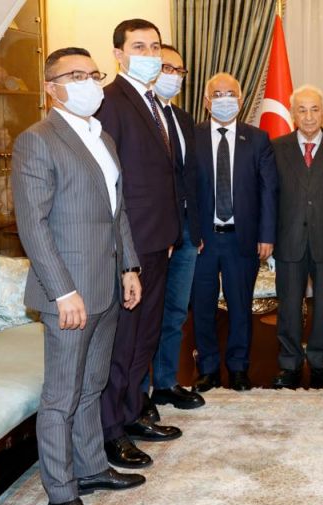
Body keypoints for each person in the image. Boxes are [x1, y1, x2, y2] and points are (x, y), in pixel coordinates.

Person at [12, 47, 145, 505]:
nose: (89, 82)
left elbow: (117, 211)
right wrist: (62, 291)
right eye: (75, 75)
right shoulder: (37, 140)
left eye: (93, 74)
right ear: (51, 88)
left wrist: (129, 266)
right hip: (69, 293)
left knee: (93, 385)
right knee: (61, 396)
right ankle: (61, 494)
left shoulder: (101, 137)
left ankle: (90, 467)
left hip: (106, 283)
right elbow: (33, 225)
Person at [96, 18, 182, 471]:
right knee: (123, 341)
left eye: (155, 46)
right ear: (118, 54)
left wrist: (169, 235)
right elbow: (110, 185)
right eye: (139, 46)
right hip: (129, 246)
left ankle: (132, 412)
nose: (150, 54)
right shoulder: (110, 102)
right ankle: (110, 430)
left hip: (158, 241)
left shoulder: (155, 103)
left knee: (145, 336)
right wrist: (125, 250)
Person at [192, 73, 278, 392]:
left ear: (241, 100)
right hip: (202, 240)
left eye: (230, 94)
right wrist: (189, 234)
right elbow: (183, 190)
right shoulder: (191, 137)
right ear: (206, 102)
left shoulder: (258, 139)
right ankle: (208, 368)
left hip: (242, 238)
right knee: (202, 306)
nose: (224, 99)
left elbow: (268, 191)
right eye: (217, 94)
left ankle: (239, 367)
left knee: (241, 305)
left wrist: (267, 235)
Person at [271, 85, 323, 390]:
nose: (308, 116)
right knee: (289, 305)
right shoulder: (275, 149)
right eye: (302, 110)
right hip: (287, 238)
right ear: (293, 115)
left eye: (314, 109)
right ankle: (289, 363)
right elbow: (268, 197)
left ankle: (321, 362)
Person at [139, 44, 205, 417]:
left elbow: (190, 177)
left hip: (185, 234)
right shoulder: (140, 115)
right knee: (146, 315)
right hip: (153, 235)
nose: (173, 76)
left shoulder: (182, 118)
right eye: (166, 67)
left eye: (179, 71)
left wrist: (196, 230)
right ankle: (137, 396)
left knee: (176, 313)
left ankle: (164, 383)